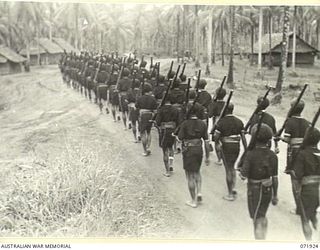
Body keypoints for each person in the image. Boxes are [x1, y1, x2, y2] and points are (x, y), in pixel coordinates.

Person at [239, 124, 279, 240]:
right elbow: (275, 177)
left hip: (255, 189)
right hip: (268, 188)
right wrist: (275, 195)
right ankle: (263, 238)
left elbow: (243, 175)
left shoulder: (250, 154)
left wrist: (241, 170)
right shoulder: (272, 155)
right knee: (262, 215)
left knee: (257, 219)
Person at [178, 103, 211, 208]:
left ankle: (193, 200)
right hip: (199, 149)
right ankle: (199, 192)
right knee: (197, 171)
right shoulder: (202, 124)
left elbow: (179, 138)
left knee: (189, 175)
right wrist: (207, 156)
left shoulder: (185, 123)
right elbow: (206, 141)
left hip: (189, 150)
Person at [281, 99, 310, 215]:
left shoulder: (290, 121)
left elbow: (287, 139)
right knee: (304, 179)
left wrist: (280, 138)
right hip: (306, 152)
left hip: (295, 153)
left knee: (295, 180)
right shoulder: (307, 122)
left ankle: (299, 208)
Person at [292, 127, 320, 241]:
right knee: (312, 211)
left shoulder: (302, 154)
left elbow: (297, 175)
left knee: (304, 219)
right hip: (317, 190)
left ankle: (309, 243)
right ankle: (315, 223)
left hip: (306, 191)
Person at [214, 102, 244, 201]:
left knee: (228, 169)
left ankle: (230, 194)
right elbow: (243, 138)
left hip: (226, 147)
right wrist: (247, 149)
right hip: (237, 146)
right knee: (232, 168)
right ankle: (233, 188)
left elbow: (216, 137)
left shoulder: (221, 122)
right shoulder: (239, 121)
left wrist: (217, 142)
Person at [155, 94, 180, 176]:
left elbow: (158, 122)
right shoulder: (175, 109)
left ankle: (167, 171)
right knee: (171, 147)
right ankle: (171, 164)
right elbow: (178, 121)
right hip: (173, 130)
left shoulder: (161, 109)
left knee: (164, 150)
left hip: (164, 130)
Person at [136, 83, 158, 156]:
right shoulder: (153, 98)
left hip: (142, 115)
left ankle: (145, 150)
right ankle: (148, 147)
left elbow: (136, 107)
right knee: (148, 132)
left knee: (142, 133)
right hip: (150, 115)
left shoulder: (140, 98)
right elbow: (155, 110)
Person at [208, 86, 227, 165]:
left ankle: (219, 159)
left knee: (217, 141)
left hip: (217, 122)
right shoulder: (226, 104)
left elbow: (210, 115)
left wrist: (212, 103)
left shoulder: (214, 104)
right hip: (226, 121)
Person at [127, 78, 141, 142]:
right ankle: (139, 134)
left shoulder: (130, 91)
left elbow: (127, 100)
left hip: (132, 107)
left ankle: (135, 138)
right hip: (140, 108)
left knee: (133, 123)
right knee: (139, 122)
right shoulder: (141, 91)